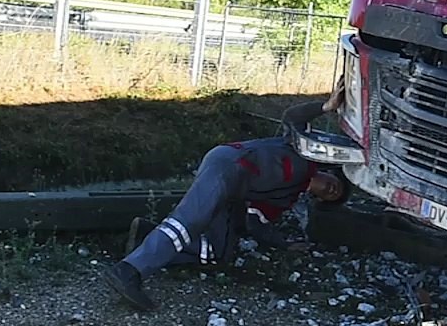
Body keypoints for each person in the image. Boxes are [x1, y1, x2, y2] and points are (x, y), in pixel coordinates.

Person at [103, 88, 349, 311]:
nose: (330, 188)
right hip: (229, 164)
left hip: (232, 193)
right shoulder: (306, 150)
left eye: (330, 194)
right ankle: (129, 271)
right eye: (334, 185)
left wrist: (284, 244)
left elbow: (257, 222)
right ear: (330, 172)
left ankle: (144, 238)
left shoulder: (286, 198)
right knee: (189, 222)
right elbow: (293, 117)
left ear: (316, 198)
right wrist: (325, 107)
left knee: (216, 251)